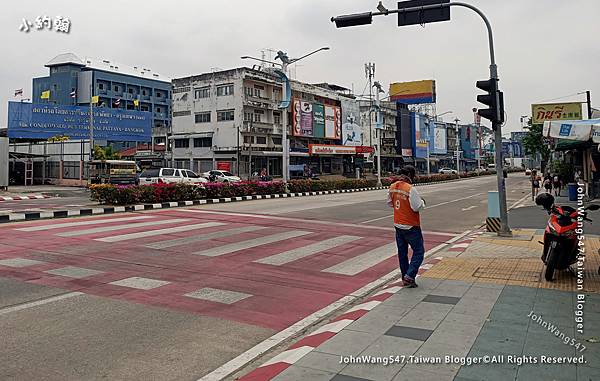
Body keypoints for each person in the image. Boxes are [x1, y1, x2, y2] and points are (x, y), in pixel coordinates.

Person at [387, 165, 426, 288]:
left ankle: (405, 277)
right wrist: (423, 203)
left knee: (402, 253)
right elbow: (416, 206)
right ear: (410, 175)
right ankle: (410, 275)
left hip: (398, 225)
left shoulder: (392, 187)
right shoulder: (410, 189)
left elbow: (389, 203)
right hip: (410, 226)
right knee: (419, 251)